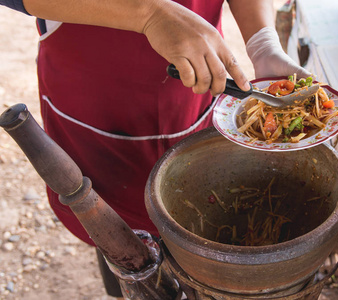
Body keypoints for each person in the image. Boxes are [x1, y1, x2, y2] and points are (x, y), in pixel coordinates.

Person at [0, 0, 311, 297]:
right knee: (124, 254)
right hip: (96, 107)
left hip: (191, 100)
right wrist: (148, 12)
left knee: (207, 225)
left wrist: (262, 42)